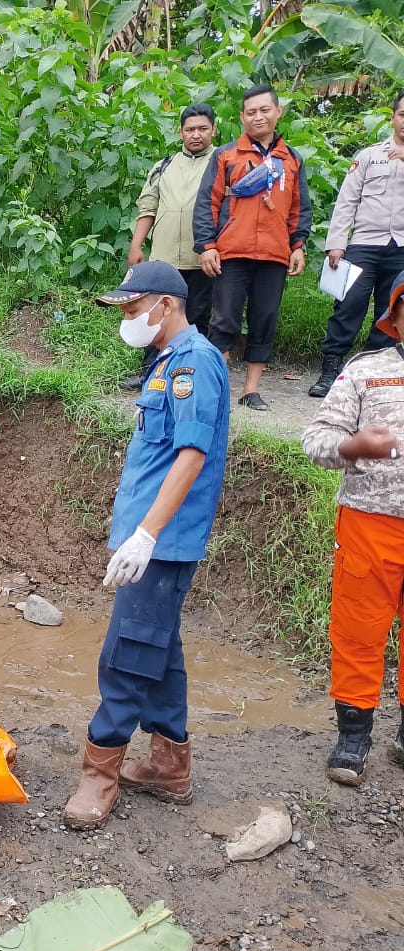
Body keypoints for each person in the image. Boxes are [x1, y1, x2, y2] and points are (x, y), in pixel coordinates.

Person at [64, 261, 231, 831]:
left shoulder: (195, 364)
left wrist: (146, 534)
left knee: (127, 656)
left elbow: (191, 455)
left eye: (134, 308)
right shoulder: (163, 361)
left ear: (166, 304)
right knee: (159, 653)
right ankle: (168, 765)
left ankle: (100, 771)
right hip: (149, 537)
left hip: (163, 542)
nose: (129, 319)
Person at [301, 270, 404, 786]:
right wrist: (351, 447)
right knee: (358, 631)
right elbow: (315, 439)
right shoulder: (366, 373)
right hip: (371, 524)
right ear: (396, 317)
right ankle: (354, 735)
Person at [193, 83, 312, 412]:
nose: (258, 117)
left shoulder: (292, 160)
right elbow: (208, 203)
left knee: (265, 319)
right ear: (242, 117)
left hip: (275, 255)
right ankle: (217, 390)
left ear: (278, 112)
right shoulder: (226, 155)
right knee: (224, 320)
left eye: (264, 110)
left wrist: (298, 244)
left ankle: (251, 390)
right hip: (231, 251)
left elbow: (299, 207)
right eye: (251, 112)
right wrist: (207, 245)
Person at [309, 92, 404, 398]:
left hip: (401, 247)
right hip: (364, 243)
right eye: (402, 115)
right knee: (348, 306)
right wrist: (336, 243)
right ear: (393, 117)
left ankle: (372, 376)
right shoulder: (368, 156)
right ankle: (330, 372)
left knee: (390, 312)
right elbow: (346, 201)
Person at [122, 104, 219, 389]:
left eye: (203, 129)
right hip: (163, 261)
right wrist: (136, 246)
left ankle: (189, 376)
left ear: (213, 129)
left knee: (197, 318)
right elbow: (148, 207)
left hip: (201, 258)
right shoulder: (164, 165)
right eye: (190, 130)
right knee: (154, 316)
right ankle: (150, 373)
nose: (196, 135)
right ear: (181, 132)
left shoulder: (222, 163)